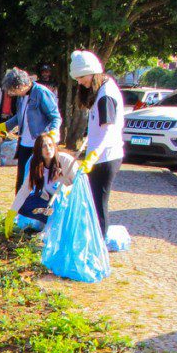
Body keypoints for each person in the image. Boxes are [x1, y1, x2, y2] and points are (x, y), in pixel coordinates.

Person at [69, 49, 126, 234]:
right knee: (92, 201)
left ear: (94, 72)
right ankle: (93, 240)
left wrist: (93, 155)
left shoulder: (106, 94)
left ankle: (99, 245)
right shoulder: (100, 90)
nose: (80, 82)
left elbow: (108, 130)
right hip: (98, 156)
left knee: (99, 202)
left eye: (82, 77)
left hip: (106, 157)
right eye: (77, 78)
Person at [0, 67, 60, 192]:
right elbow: (19, 117)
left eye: (13, 90)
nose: (12, 93)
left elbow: (55, 117)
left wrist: (52, 133)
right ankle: (19, 209)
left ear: (21, 85)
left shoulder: (41, 92)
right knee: (21, 181)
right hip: (23, 144)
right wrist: (2, 127)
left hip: (39, 145)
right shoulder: (21, 97)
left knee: (38, 179)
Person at [5, 132, 79, 235]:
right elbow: (24, 190)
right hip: (49, 202)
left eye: (50, 145)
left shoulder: (66, 160)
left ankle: (55, 227)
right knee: (24, 206)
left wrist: (66, 191)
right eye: (44, 146)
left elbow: (81, 184)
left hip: (69, 204)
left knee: (57, 203)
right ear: (38, 150)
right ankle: (46, 223)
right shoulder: (36, 164)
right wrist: (12, 213)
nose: (48, 149)